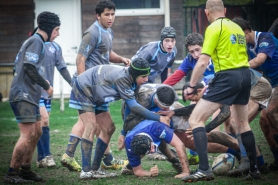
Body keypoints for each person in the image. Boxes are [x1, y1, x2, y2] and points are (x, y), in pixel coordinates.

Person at [181, 0, 260, 182]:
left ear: (207, 13)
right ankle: (254, 169)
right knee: (242, 124)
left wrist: (192, 86)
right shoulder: (237, 27)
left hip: (227, 77)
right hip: (245, 75)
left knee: (195, 119)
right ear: (224, 10)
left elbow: (202, 61)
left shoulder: (214, 28)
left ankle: (204, 170)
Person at [69, 58, 170, 179]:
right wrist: (158, 118)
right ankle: (86, 171)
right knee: (90, 125)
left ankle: (95, 169)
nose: (146, 79)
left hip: (97, 91)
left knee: (109, 128)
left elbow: (129, 105)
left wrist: (123, 132)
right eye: (143, 76)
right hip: (84, 87)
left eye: (147, 75)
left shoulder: (134, 81)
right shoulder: (123, 79)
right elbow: (134, 106)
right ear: (135, 74)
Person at [61, 0, 131, 172]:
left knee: (103, 126)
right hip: (88, 87)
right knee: (90, 124)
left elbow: (106, 52)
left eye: (112, 14)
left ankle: (79, 157)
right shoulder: (92, 32)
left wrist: (121, 59)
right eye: (106, 14)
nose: (110, 18)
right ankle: (87, 164)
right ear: (98, 15)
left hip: (99, 87)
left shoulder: (108, 32)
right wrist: (84, 82)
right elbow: (80, 59)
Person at [119, 83, 241, 175]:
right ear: (156, 100)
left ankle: (239, 149)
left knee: (196, 139)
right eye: (164, 107)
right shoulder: (140, 101)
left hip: (168, 116)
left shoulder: (168, 94)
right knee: (144, 139)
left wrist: (173, 112)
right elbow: (130, 119)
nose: (166, 109)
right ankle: (135, 164)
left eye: (168, 106)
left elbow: (224, 112)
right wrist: (123, 133)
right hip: (142, 118)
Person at [4, 11, 59, 183]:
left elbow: (27, 66)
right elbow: (28, 66)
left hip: (30, 95)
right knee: (27, 134)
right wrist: (46, 85)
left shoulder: (36, 41)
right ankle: (12, 174)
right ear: (49, 29)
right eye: (57, 30)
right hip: (23, 95)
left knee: (37, 132)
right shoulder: (36, 40)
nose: (58, 34)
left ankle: (26, 169)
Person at [232, 17, 278, 172]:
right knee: (263, 121)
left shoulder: (265, 37)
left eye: (238, 36)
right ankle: (274, 159)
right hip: (270, 84)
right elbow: (254, 72)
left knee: (271, 112)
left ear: (245, 32)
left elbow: (260, 60)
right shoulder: (248, 47)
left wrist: (236, 67)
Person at [36, 41, 72, 168]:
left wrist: (72, 83)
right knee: (44, 120)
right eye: (56, 29)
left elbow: (62, 67)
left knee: (41, 125)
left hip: (47, 91)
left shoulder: (56, 46)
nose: (58, 33)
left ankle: (40, 158)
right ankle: (47, 155)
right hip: (34, 91)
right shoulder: (32, 44)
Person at [124, 119, 190, 178]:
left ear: (151, 140)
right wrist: (150, 173)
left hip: (158, 125)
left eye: (151, 148)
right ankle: (131, 165)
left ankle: (176, 162)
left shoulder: (158, 128)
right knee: (135, 162)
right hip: (144, 133)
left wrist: (186, 172)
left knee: (166, 143)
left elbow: (179, 145)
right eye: (148, 152)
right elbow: (138, 171)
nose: (153, 151)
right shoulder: (129, 143)